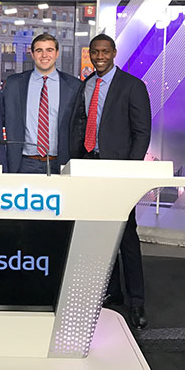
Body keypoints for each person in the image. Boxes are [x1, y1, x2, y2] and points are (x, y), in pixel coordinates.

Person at [70, 33, 152, 330]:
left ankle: (137, 302)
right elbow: (81, 125)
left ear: (114, 52)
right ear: (90, 54)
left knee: (126, 235)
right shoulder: (87, 84)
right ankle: (113, 291)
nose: (100, 56)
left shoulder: (133, 85)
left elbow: (142, 132)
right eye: (95, 51)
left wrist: (128, 172)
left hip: (119, 172)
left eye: (105, 51)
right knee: (99, 233)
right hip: (89, 167)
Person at [3, 33, 81, 174]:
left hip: (62, 162)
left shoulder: (74, 86)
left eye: (49, 50)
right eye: (39, 50)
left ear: (57, 53)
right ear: (32, 54)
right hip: (25, 163)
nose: (44, 55)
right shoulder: (14, 84)